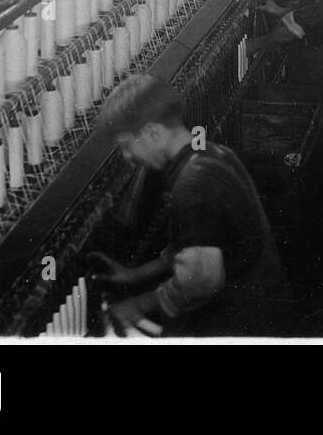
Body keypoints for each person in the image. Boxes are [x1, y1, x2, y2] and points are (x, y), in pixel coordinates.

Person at [90, 74, 283, 337]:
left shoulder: (192, 186)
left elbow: (202, 281)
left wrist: (136, 305)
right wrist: (135, 275)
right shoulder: (212, 153)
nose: (128, 158)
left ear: (154, 132)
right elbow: (194, 242)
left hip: (241, 322)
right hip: (264, 304)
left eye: (126, 145)